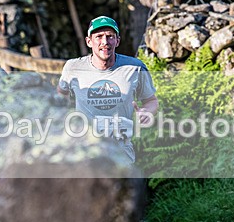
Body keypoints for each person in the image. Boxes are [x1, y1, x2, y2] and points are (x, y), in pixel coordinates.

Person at [57, 15, 158, 162]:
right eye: (99, 36)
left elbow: (151, 101)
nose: (105, 42)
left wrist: (147, 112)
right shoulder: (73, 67)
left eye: (110, 36)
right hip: (84, 147)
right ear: (89, 41)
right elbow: (60, 96)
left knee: (124, 185)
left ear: (117, 40)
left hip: (121, 148)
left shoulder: (135, 68)